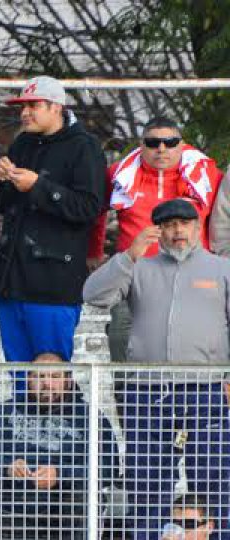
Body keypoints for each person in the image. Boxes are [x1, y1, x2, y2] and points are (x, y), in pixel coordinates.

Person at [83, 198, 230, 540]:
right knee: (147, 480)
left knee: (214, 479)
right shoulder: (139, 267)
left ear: (197, 227)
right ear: (158, 230)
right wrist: (129, 254)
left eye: (185, 223)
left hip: (205, 388)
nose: (178, 230)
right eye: (170, 224)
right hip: (147, 390)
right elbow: (93, 294)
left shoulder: (221, 269)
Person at [0, 75, 106, 391]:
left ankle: (61, 440)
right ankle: (23, 440)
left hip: (54, 285)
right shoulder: (22, 143)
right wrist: (0, 179)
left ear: (56, 107)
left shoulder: (85, 147)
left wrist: (39, 187)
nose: (25, 113)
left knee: (52, 381)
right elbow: (1, 204)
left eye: (33, 106)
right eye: (23, 107)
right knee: (21, 381)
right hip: (12, 282)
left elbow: (90, 208)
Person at [88, 116, 221, 362]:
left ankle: (201, 394)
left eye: (170, 142)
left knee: (198, 339)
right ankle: (126, 397)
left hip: (192, 273)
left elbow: (224, 215)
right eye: (152, 142)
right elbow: (96, 211)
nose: (162, 149)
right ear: (141, 145)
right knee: (121, 338)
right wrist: (94, 251)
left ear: (182, 144)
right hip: (136, 274)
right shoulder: (119, 172)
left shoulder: (206, 171)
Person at [0, 353, 117, 540]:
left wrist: (59, 475)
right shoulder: (5, 411)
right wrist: (7, 467)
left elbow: (109, 468)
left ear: (68, 380)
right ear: (29, 380)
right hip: (11, 510)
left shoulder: (90, 417)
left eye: (55, 377)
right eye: (40, 376)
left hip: (69, 511)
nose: (47, 384)